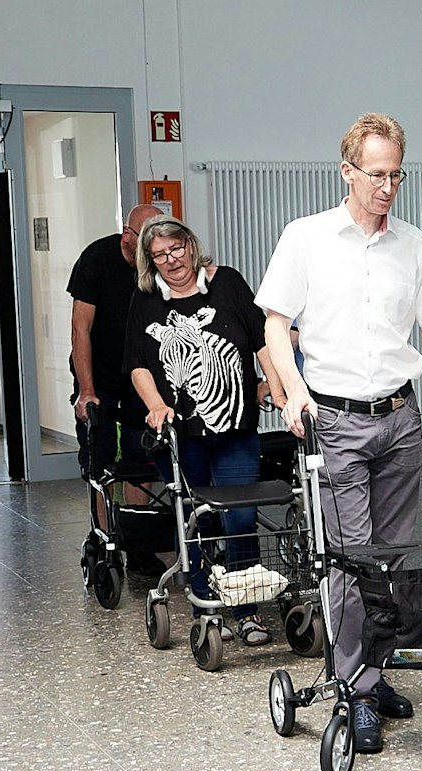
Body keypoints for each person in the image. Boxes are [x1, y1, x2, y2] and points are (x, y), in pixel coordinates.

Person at [259, 112, 422, 755]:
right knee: (350, 561)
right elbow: (274, 324)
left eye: (397, 174)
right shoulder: (307, 238)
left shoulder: (413, 244)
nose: (388, 186)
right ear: (346, 171)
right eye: (377, 174)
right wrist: (292, 394)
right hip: (336, 420)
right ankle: (355, 686)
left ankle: (375, 670)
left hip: (401, 419)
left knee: (394, 554)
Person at [125, 213, 275, 645]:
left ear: (190, 245)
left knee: (240, 515)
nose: (171, 261)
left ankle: (248, 610)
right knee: (193, 517)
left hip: (236, 427)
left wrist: (276, 388)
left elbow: (263, 341)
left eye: (176, 249)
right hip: (181, 434)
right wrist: (155, 405)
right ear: (149, 261)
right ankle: (206, 605)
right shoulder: (146, 298)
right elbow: (138, 363)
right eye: (159, 255)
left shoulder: (227, 282)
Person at [71, 203, 162, 480]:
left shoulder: (161, 261)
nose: (151, 251)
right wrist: (86, 390)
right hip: (101, 370)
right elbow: (80, 328)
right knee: (99, 455)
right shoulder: (97, 258)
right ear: (127, 236)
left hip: (142, 371)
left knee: (142, 455)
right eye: (145, 241)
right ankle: (104, 523)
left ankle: (135, 520)